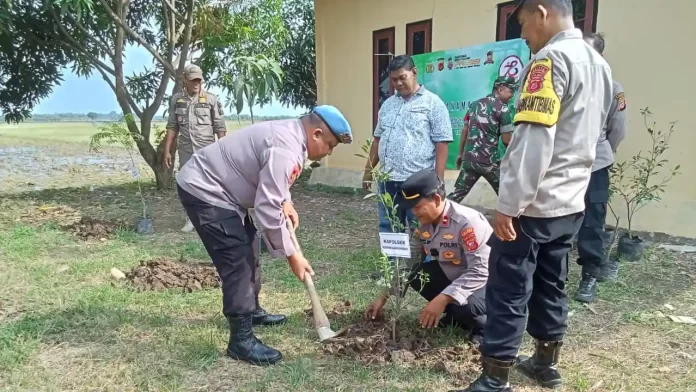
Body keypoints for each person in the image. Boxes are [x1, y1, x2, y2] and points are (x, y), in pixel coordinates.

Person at [454, 1, 613, 391]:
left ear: (541, 12)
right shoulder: (600, 66)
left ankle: (495, 377)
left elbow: (532, 143)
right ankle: (545, 363)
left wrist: (508, 206)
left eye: (523, 24)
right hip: (571, 200)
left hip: (535, 203)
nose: (524, 35)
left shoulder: (549, 61)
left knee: (508, 286)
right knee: (551, 281)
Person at [175, 105, 353, 366]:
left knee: (250, 247)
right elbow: (267, 207)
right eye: (330, 145)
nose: (329, 152)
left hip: (224, 192)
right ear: (316, 134)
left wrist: (286, 200)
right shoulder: (287, 148)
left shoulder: (292, 137)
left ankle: (252, 311)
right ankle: (241, 340)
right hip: (206, 190)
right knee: (237, 258)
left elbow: (274, 182)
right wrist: (292, 256)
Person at [364, 169, 492, 346]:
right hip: (456, 278)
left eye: (418, 206)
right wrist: (384, 296)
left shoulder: (466, 222)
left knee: (467, 306)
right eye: (411, 208)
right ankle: (454, 315)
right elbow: (410, 262)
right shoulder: (422, 223)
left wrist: (443, 298)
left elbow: (479, 272)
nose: (414, 213)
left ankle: (485, 327)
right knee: (416, 274)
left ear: (437, 199)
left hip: (488, 284)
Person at [362, 54, 453, 275]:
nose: (398, 83)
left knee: (420, 225)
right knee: (389, 225)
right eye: (394, 80)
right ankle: (393, 269)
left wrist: (437, 181)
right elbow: (377, 139)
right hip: (388, 179)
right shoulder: (388, 105)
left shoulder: (433, 104)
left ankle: (423, 271)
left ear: (414, 72)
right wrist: (368, 171)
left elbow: (442, 144)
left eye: (402, 77)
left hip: (417, 180)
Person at [573, 32, 629, 303]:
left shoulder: (612, 88)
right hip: (567, 166)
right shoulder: (568, 84)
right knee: (561, 220)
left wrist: (603, 154)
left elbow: (616, 129)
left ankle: (590, 276)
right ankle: (554, 276)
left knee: (593, 222)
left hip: (595, 165)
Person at [163, 64, 227, 233]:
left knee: (210, 183)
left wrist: (224, 150)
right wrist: (167, 150)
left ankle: (212, 217)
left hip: (207, 149)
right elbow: (172, 126)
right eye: (193, 80)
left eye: (199, 80)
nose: (196, 83)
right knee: (187, 185)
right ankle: (191, 219)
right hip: (186, 150)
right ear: (185, 80)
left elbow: (219, 126)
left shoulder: (211, 99)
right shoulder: (177, 99)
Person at [448, 76, 518, 203]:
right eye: (511, 91)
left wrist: (460, 154)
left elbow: (465, 130)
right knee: (507, 198)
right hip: (489, 162)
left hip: (469, 161)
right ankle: (518, 223)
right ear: (500, 89)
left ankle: (437, 217)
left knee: (455, 197)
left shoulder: (475, 104)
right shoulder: (503, 108)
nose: (512, 95)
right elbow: (507, 140)